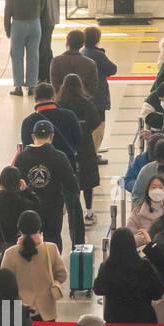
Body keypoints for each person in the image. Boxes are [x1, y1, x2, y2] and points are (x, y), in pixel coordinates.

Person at [0, 210, 68, 326]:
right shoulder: (50, 249)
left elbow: (4, 282)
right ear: (39, 227)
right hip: (45, 309)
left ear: (19, 229)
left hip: (21, 312)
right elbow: (62, 274)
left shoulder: (10, 253)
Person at [13, 121, 79, 250]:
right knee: (53, 241)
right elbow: (72, 185)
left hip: (28, 208)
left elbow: (15, 184)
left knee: (28, 242)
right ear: (52, 136)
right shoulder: (59, 157)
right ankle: (51, 267)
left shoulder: (21, 158)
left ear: (33, 136)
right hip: (53, 208)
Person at [0, 167, 41, 288]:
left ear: (0, 182)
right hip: (17, 247)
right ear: (18, 184)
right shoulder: (23, 203)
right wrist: (26, 191)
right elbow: (36, 210)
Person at [57, 73, 102, 227]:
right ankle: (89, 213)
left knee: (68, 180)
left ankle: (71, 212)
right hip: (85, 147)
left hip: (65, 147)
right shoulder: (86, 103)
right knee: (87, 181)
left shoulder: (59, 104)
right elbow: (97, 124)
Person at [4, 0, 45, 96]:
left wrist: (8, 29)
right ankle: (32, 86)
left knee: (17, 55)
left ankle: (18, 87)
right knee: (34, 55)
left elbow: (7, 11)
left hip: (19, 25)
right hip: (35, 24)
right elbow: (43, 7)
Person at [80, 26, 117, 158]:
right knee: (99, 126)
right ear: (97, 40)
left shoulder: (83, 52)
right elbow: (112, 69)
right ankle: (93, 154)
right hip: (99, 96)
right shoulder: (98, 55)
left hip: (86, 96)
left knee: (88, 126)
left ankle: (89, 152)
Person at [33, 0, 61, 85]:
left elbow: (40, 6)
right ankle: (51, 74)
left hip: (43, 20)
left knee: (41, 49)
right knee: (47, 47)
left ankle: (42, 76)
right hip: (52, 19)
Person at [50, 29, 99, 99]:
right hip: (83, 100)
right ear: (82, 44)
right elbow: (93, 86)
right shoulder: (90, 63)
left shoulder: (56, 61)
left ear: (67, 42)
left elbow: (55, 84)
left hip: (62, 100)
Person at [126, 175, 164, 242]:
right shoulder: (137, 212)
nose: (157, 190)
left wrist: (147, 235)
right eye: (153, 187)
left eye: (161, 187)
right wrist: (143, 238)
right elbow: (129, 237)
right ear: (148, 190)